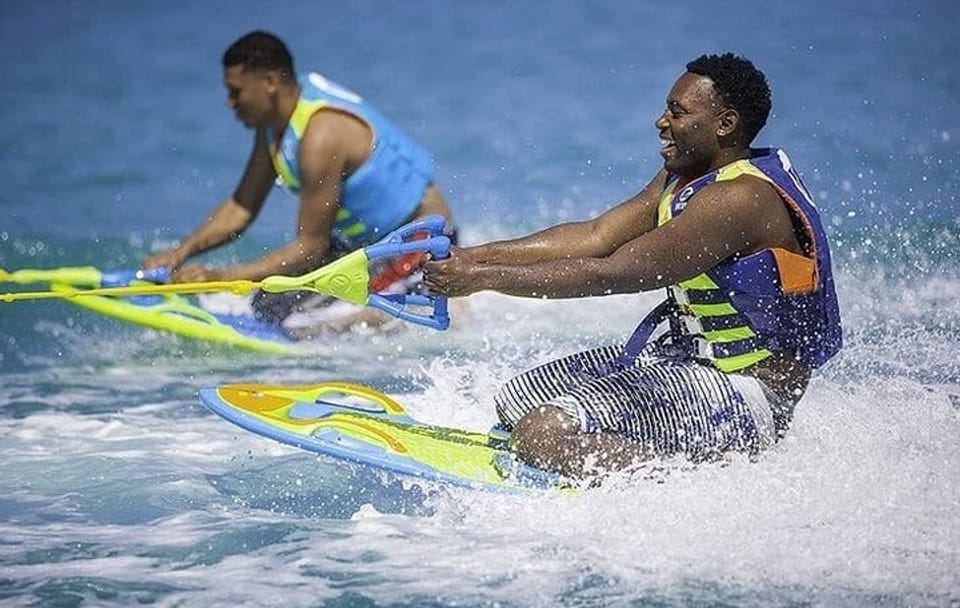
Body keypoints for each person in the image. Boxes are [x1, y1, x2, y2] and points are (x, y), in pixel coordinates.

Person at [424, 53, 842, 480]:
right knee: (516, 401)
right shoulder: (685, 177)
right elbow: (595, 236)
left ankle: (687, 482)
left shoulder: (738, 199)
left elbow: (616, 271)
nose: (661, 121)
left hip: (747, 398)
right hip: (686, 365)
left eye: (677, 112)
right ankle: (629, 453)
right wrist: (471, 258)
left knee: (542, 432)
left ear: (725, 123)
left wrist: (481, 280)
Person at [143, 31, 454, 335]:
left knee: (310, 329)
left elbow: (310, 247)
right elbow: (241, 207)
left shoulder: (320, 138)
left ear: (270, 84)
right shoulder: (275, 124)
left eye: (236, 91)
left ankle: (452, 307)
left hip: (416, 245)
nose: (229, 102)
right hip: (363, 246)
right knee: (268, 306)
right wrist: (181, 252)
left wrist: (220, 276)